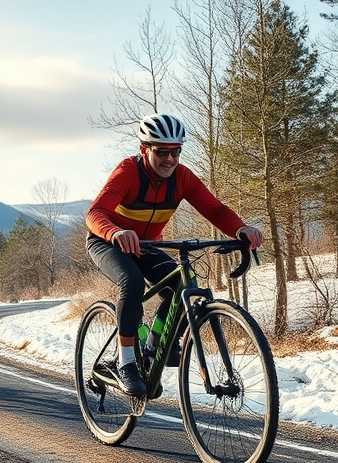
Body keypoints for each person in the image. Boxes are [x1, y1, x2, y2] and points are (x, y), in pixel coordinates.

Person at [85, 113, 262, 396]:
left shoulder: (183, 178)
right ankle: (127, 361)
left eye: (176, 151)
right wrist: (115, 232)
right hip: (106, 241)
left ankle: (156, 344)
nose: (169, 159)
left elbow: (215, 210)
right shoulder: (127, 173)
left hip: (147, 245)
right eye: (162, 152)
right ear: (145, 149)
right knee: (130, 282)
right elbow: (95, 213)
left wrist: (240, 229)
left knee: (181, 285)